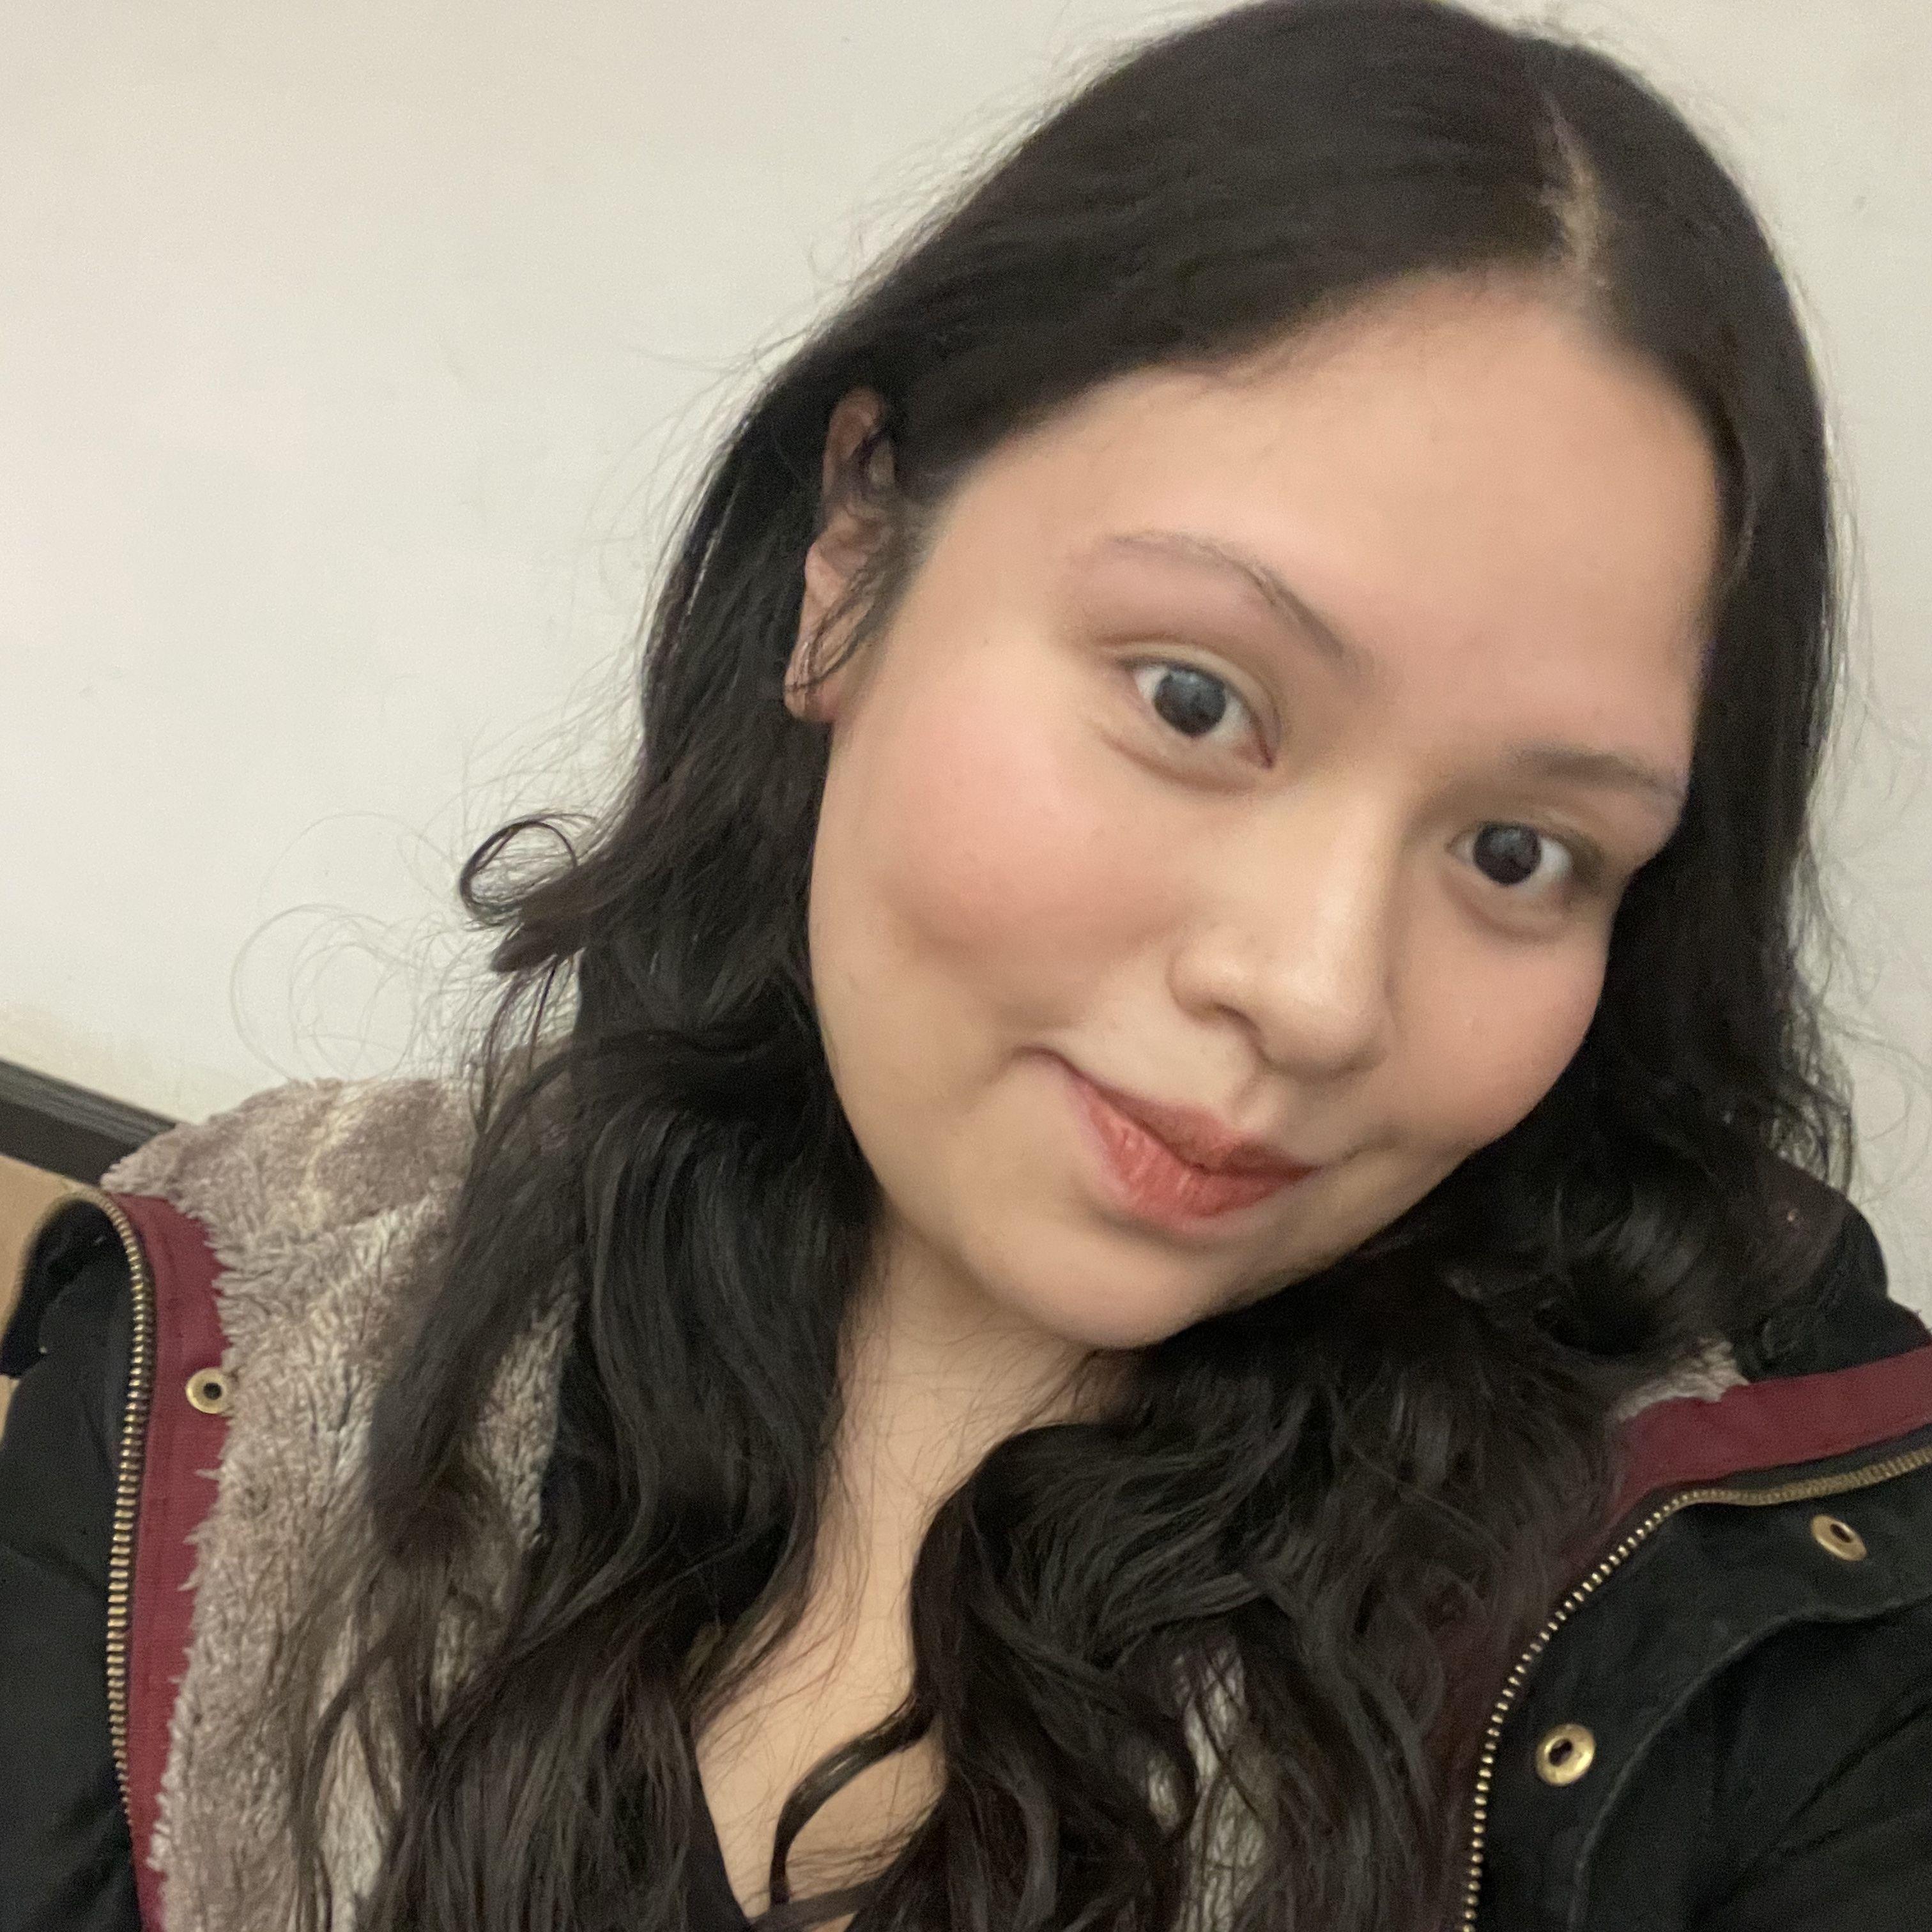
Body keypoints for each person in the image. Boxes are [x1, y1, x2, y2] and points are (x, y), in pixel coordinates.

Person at [4, 1, 1930, 1928]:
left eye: (1521, 854)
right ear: (853, 557)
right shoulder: (233, 1343)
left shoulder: (1762, 1636)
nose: (1317, 990)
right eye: (1195, 700)